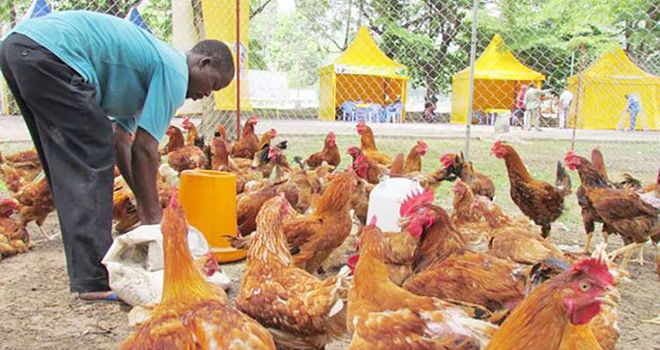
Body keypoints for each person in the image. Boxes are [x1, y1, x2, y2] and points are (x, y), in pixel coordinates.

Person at [0, 11, 235, 301]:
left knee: (71, 162)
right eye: (214, 85)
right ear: (205, 62)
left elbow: (121, 142)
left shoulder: (146, 78)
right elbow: (146, 148)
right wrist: (154, 223)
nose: (207, 95)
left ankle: (88, 273)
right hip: (49, 53)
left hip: (22, 48)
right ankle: (94, 279)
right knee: (89, 151)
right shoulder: (175, 70)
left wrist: (139, 194)